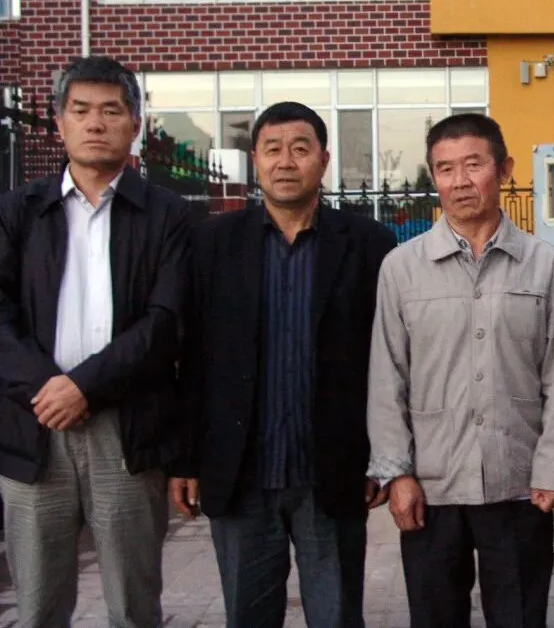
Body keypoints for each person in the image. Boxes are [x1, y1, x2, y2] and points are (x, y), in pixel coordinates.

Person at [169, 101, 397, 628]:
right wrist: (184, 460)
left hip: (333, 472)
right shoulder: (211, 245)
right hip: (241, 473)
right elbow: (192, 358)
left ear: (324, 159)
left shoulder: (369, 245)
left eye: (300, 148)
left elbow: (388, 361)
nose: (286, 161)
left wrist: (384, 459)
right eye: (273, 149)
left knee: (338, 617)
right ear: (256, 160)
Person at [367, 113, 554, 628]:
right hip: (431, 487)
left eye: (473, 165)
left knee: (520, 617)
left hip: (519, 483)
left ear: (503, 169)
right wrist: (397, 474)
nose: (460, 181)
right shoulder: (401, 268)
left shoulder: (544, 264)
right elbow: (387, 378)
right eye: (445, 168)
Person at [0, 56, 191, 627]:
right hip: (34, 424)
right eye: (80, 110)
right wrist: (48, 388)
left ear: (135, 124)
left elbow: (166, 321)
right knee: (37, 606)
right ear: (59, 123)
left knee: (133, 606)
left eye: (111, 110)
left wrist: (84, 387)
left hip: (127, 431)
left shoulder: (168, 215)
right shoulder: (18, 211)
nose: (95, 123)